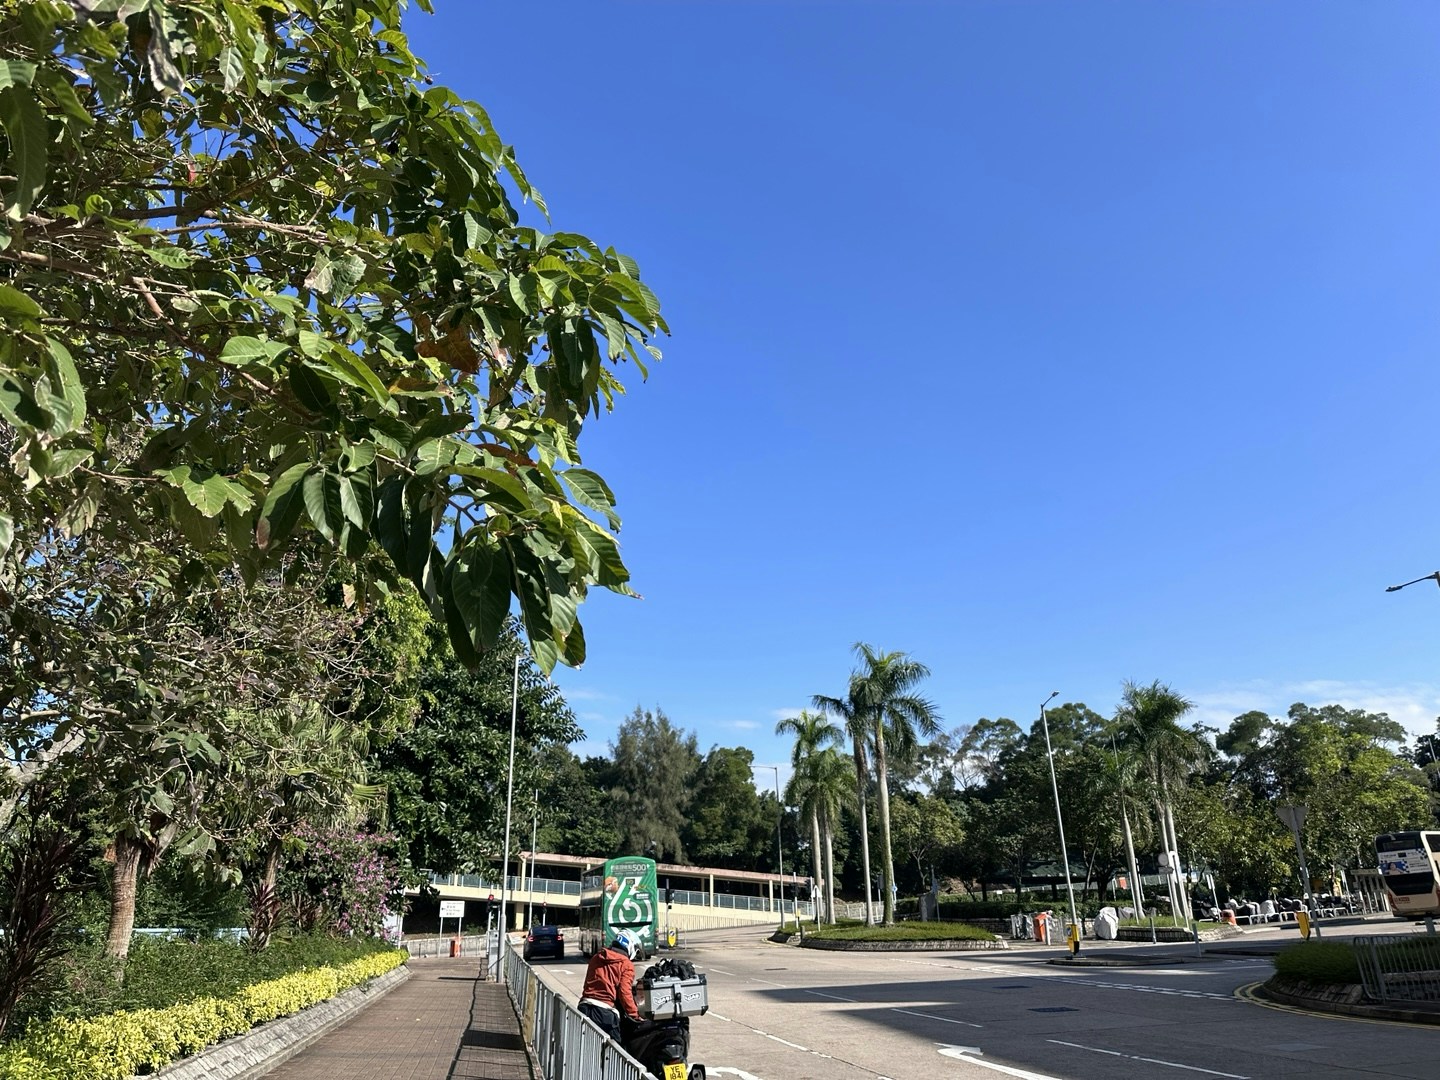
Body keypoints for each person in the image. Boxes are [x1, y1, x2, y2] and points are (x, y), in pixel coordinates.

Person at [578, 928, 643, 1040]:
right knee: (616, 1052)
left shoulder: (596, 957)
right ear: (630, 945)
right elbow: (624, 993)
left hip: (584, 1007)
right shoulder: (626, 964)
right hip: (604, 1013)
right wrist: (635, 1015)